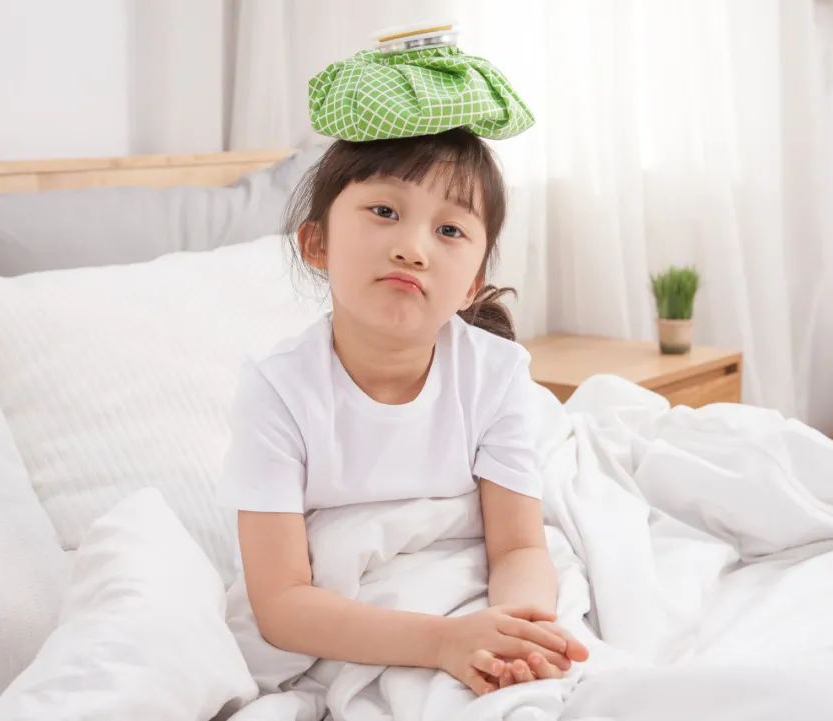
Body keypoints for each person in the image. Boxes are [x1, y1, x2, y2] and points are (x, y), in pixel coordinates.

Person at [218, 25, 589, 698]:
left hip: (469, 585)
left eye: (449, 229)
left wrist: (516, 634)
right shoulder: (278, 389)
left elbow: (518, 547)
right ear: (316, 243)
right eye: (385, 210)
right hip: (368, 617)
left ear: (473, 282)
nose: (413, 248)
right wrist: (446, 641)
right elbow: (280, 603)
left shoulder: (496, 373)